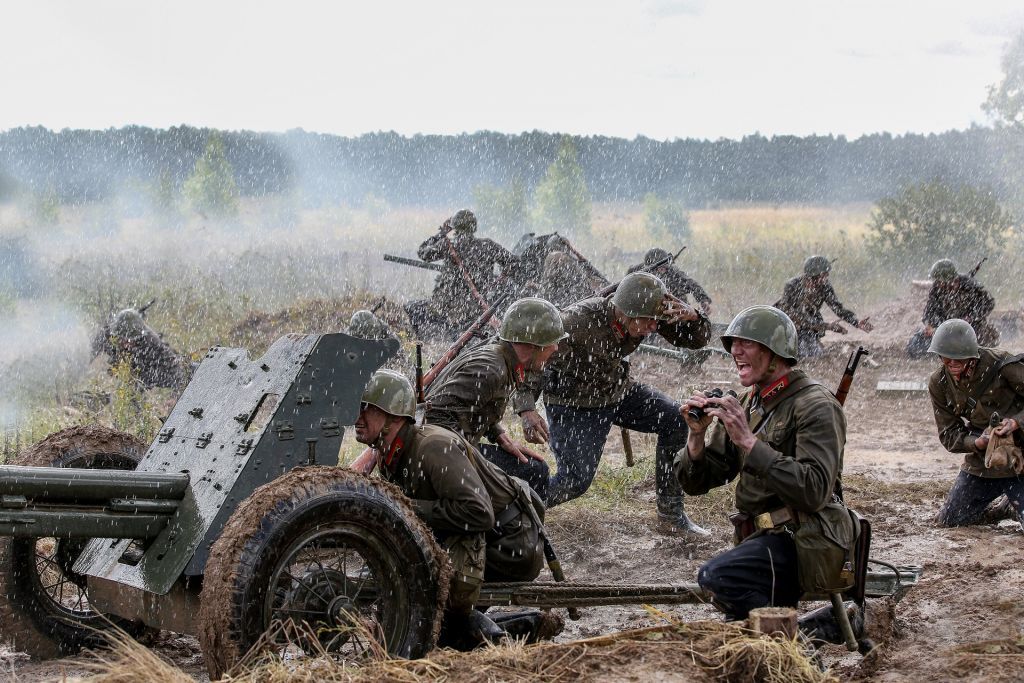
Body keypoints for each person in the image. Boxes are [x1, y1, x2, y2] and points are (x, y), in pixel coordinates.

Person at [676, 305, 861, 641]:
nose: (735, 351)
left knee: (718, 577)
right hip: (761, 538)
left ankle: (793, 645)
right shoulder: (750, 402)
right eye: (733, 343)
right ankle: (808, 632)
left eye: (747, 343)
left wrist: (748, 442)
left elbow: (815, 491)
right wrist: (696, 436)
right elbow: (699, 481)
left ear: (775, 353)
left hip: (803, 540)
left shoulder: (816, 406)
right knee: (739, 634)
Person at [354, 370, 556, 648]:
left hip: (510, 544)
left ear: (395, 417)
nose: (358, 419)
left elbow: (479, 513)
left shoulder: (432, 447)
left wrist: (403, 507)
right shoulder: (390, 451)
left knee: (429, 628)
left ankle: (520, 627)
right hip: (478, 539)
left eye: (368, 411)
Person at [523, 271, 712, 536]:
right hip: (573, 402)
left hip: (617, 391)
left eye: (657, 321)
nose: (654, 328)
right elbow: (533, 359)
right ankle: (514, 509)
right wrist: (526, 408)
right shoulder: (576, 321)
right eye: (648, 322)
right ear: (623, 312)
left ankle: (670, 515)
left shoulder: (646, 314)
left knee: (675, 419)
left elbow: (695, 341)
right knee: (574, 481)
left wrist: (694, 317)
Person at [424, 298, 565, 499]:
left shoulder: (502, 358)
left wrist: (499, 436)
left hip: (450, 450)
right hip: (439, 458)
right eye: (553, 342)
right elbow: (434, 416)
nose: (556, 348)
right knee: (534, 473)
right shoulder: (492, 369)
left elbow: (475, 404)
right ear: (535, 344)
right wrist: (476, 464)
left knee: (533, 468)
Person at [926, 319, 1024, 529]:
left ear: (972, 356)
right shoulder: (939, 383)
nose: (951, 366)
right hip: (984, 459)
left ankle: (1013, 504)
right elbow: (948, 434)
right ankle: (1003, 510)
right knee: (951, 520)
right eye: (946, 359)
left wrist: (1016, 422)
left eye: (958, 361)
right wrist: (976, 443)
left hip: (1021, 456)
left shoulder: (1002, 365)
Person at [405, 210, 520, 339]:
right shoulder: (487, 245)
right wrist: (501, 277)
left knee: (411, 307)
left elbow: (423, 253)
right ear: (474, 227)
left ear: (455, 227)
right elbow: (514, 262)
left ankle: (424, 341)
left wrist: (441, 234)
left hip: (446, 307)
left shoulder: (448, 245)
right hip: (477, 307)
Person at [774, 255, 873, 358]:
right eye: (824, 274)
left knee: (815, 354)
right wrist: (828, 326)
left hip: (808, 327)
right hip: (787, 324)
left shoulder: (825, 287)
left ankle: (810, 342)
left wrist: (856, 322)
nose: (826, 277)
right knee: (797, 353)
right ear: (813, 276)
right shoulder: (792, 286)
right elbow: (795, 316)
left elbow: (838, 308)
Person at [906, 259, 999, 358]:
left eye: (939, 281)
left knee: (973, 348)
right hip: (946, 327)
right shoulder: (936, 289)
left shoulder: (970, 286)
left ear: (949, 280)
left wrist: (970, 317)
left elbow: (989, 303)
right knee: (915, 345)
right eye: (936, 281)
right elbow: (929, 311)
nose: (937, 283)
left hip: (971, 326)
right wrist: (929, 325)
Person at [92, 308, 190, 389]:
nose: (127, 344)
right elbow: (87, 355)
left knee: (187, 372)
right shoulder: (106, 335)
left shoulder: (151, 341)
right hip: (131, 370)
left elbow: (179, 373)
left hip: (152, 370)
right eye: (123, 340)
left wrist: (174, 398)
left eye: (131, 340)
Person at [627, 247, 712, 317]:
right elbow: (626, 287)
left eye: (664, 267)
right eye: (658, 268)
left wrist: (703, 300)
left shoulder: (673, 273)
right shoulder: (638, 272)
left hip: (674, 311)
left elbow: (691, 284)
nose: (661, 270)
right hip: (648, 312)